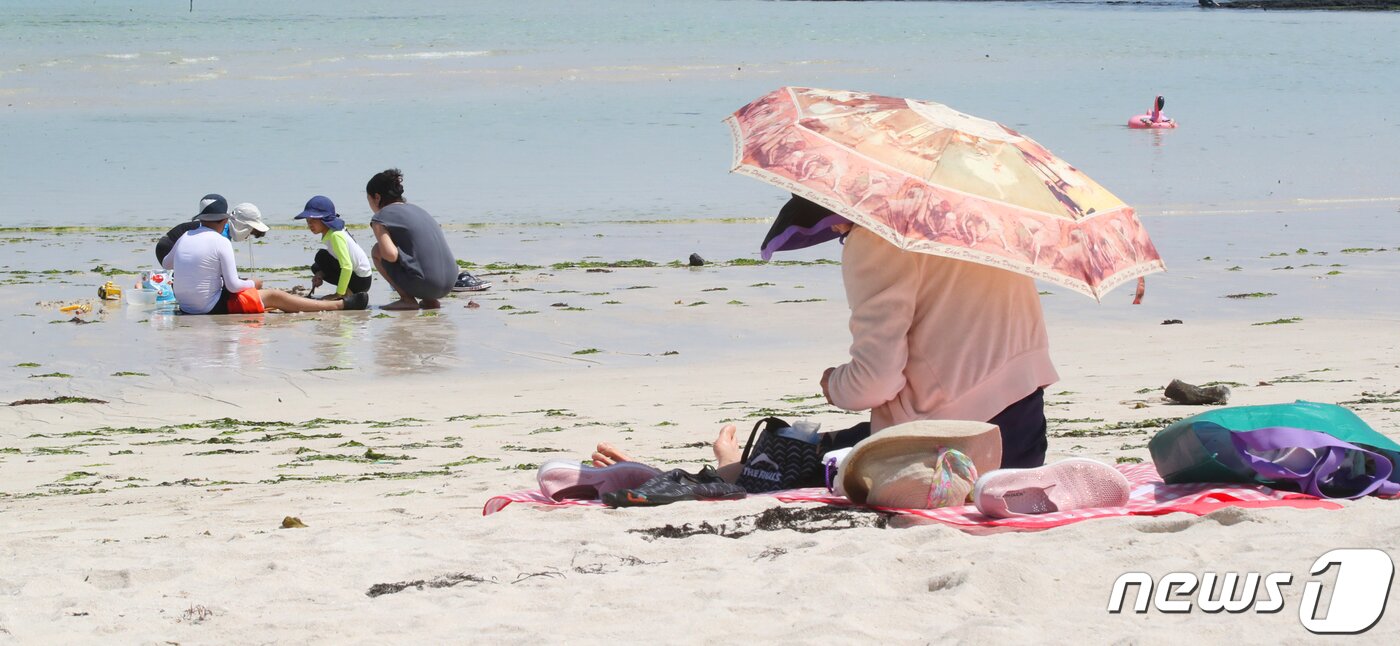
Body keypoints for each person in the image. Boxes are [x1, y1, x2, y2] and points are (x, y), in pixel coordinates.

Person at [593, 199, 1059, 479]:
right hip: (1023, 435)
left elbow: (873, 384)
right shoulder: (984, 225)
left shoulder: (878, 240)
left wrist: (834, 383)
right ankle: (732, 464)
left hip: (942, 450)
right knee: (832, 442)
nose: (836, 229)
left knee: (783, 463)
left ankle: (724, 469)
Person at [162, 197, 368, 315]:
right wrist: (252, 282)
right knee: (274, 296)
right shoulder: (221, 241)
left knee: (260, 295)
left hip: (185, 305)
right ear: (224, 220)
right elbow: (234, 286)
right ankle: (339, 304)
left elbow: (167, 263)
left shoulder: (186, 235)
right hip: (207, 307)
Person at [365, 168, 458, 310]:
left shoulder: (380, 217)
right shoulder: (418, 210)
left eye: (369, 200)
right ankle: (430, 301)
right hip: (450, 282)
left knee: (377, 251)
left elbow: (390, 255)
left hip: (426, 284)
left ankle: (407, 300)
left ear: (377, 197)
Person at [294, 195, 373, 299]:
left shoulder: (336, 235)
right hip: (360, 279)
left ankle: (346, 292)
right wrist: (320, 274)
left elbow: (347, 267)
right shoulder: (332, 232)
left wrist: (338, 293)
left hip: (361, 281)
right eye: (308, 220)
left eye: (313, 220)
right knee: (317, 266)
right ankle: (346, 289)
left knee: (321, 257)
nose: (310, 224)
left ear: (325, 219)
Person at [154, 194, 268, 265]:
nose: (247, 237)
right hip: (168, 246)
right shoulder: (220, 233)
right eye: (249, 232)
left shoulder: (221, 227)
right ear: (243, 226)